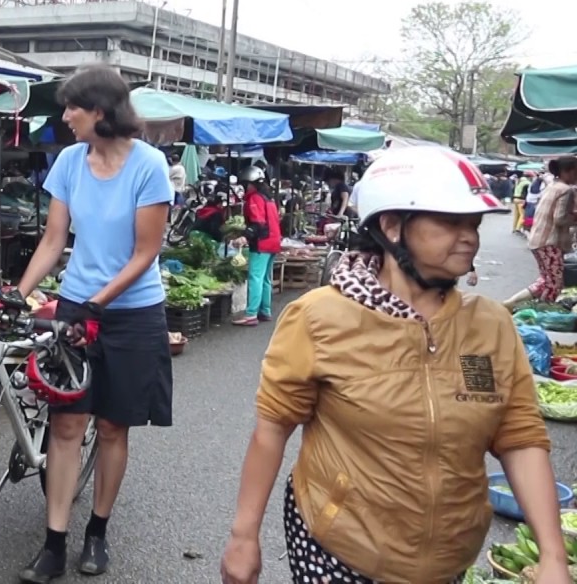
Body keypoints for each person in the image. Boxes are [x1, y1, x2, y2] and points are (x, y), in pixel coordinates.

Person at [220, 146, 566, 584]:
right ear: (391, 226)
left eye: (473, 224)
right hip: (339, 547)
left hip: (449, 555)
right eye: (450, 222)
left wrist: (552, 555)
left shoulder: (490, 324)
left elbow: (519, 437)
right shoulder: (319, 317)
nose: (470, 237)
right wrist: (244, 535)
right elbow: (273, 428)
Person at [7, 64, 173, 581]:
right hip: (78, 306)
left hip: (134, 312)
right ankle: (54, 544)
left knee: (112, 425)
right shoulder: (69, 163)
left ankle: (96, 533)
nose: (65, 117)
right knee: (66, 423)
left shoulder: (149, 165)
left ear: (99, 111)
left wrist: (99, 302)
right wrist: (18, 294)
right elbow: (53, 240)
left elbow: (146, 252)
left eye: (71, 108)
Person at [504, 157, 577, 309]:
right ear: (568, 171)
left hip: (538, 240)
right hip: (550, 242)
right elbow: (560, 218)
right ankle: (544, 311)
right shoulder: (566, 190)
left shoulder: (553, 185)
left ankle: (509, 303)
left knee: (545, 280)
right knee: (554, 283)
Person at [233, 166, 280, 326]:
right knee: (266, 278)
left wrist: (245, 237)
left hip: (262, 243)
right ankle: (265, 311)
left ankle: (251, 314)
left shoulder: (255, 198)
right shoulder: (269, 198)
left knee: (255, 278)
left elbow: (258, 223)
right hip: (274, 242)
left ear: (250, 184)